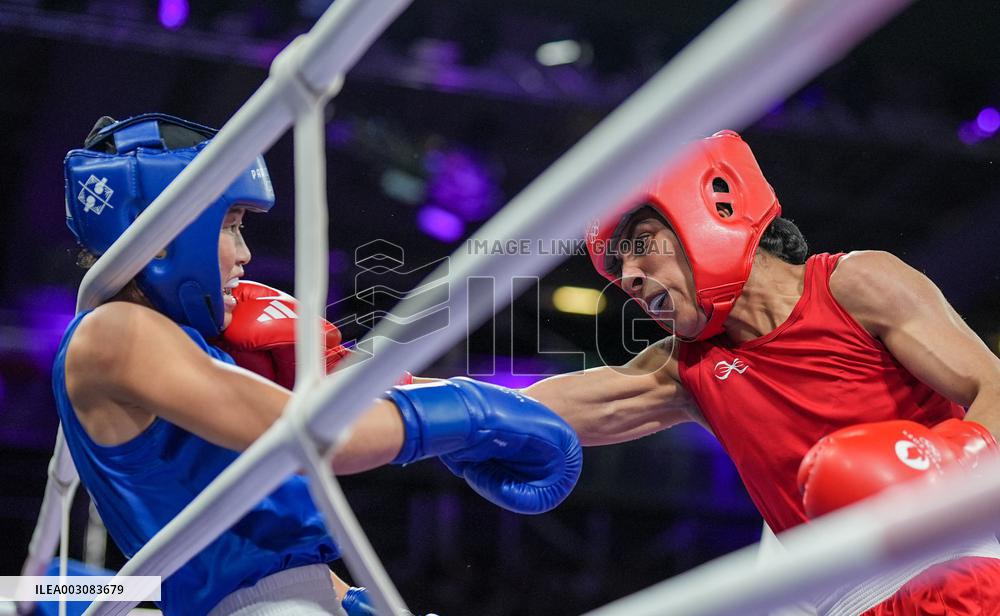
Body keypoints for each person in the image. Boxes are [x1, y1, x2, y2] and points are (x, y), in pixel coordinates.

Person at [55, 113, 582, 616]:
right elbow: (311, 436)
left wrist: (350, 601)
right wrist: (470, 411)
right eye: (230, 226)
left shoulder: (179, 348)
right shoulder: (113, 332)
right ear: (165, 232)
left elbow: (250, 531)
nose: (245, 255)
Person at [515, 130, 1000, 614]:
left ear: (710, 209)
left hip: (952, 569)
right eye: (619, 266)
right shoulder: (686, 369)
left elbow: (992, 385)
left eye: (641, 244)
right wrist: (442, 406)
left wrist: (944, 463)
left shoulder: (854, 285)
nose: (629, 277)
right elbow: (525, 409)